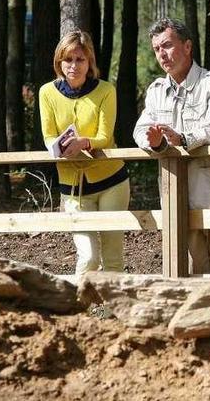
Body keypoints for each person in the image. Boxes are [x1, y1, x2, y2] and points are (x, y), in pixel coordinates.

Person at [133, 18, 210, 274]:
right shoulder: (156, 90)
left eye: (167, 45)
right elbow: (141, 130)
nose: (162, 54)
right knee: (184, 276)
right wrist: (155, 143)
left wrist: (184, 138)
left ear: (187, 47)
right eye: (156, 49)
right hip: (177, 199)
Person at [39, 30, 130, 275]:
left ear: (89, 62)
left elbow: (104, 136)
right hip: (72, 187)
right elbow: (48, 136)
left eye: (80, 59)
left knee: (112, 256)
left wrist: (83, 143)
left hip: (112, 181)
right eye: (68, 60)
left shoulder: (106, 90)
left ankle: (113, 311)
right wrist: (57, 146)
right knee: (88, 256)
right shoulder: (46, 92)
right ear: (59, 62)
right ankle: (81, 310)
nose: (74, 66)